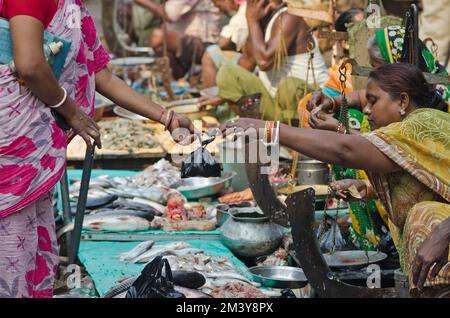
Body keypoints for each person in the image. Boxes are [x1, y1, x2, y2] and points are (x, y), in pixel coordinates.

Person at [0, 0, 194, 298]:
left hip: (34, 157)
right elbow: (30, 65)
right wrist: (73, 113)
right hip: (12, 153)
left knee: (32, 254)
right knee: (12, 257)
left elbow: (101, 74)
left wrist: (166, 116)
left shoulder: (72, 6)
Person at [222, 63, 449, 297]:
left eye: (373, 101)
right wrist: (368, 189)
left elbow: (345, 150)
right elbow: (427, 182)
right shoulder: (413, 127)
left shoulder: (421, 125)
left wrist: (272, 130)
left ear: (402, 102)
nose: (367, 110)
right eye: (366, 102)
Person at [201, 0, 329, 122]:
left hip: (309, 101)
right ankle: (259, 129)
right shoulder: (261, 21)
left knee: (288, 86)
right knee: (227, 72)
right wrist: (223, 94)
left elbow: (264, 62)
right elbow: (245, 63)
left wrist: (251, 20)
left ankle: (293, 135)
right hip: (276, 103)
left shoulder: (289, 17)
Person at [201, 0, 249, 88]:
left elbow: (223, 43)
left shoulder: (243, 11)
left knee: (211, 53)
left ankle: (211, 96)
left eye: (219, 6)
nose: (220, 10)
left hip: (253, 63)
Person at [134, 0, 222, 44]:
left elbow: (169, 15)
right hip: (187, 42)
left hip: (202, 42)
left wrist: (142, 1)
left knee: (158, 37)